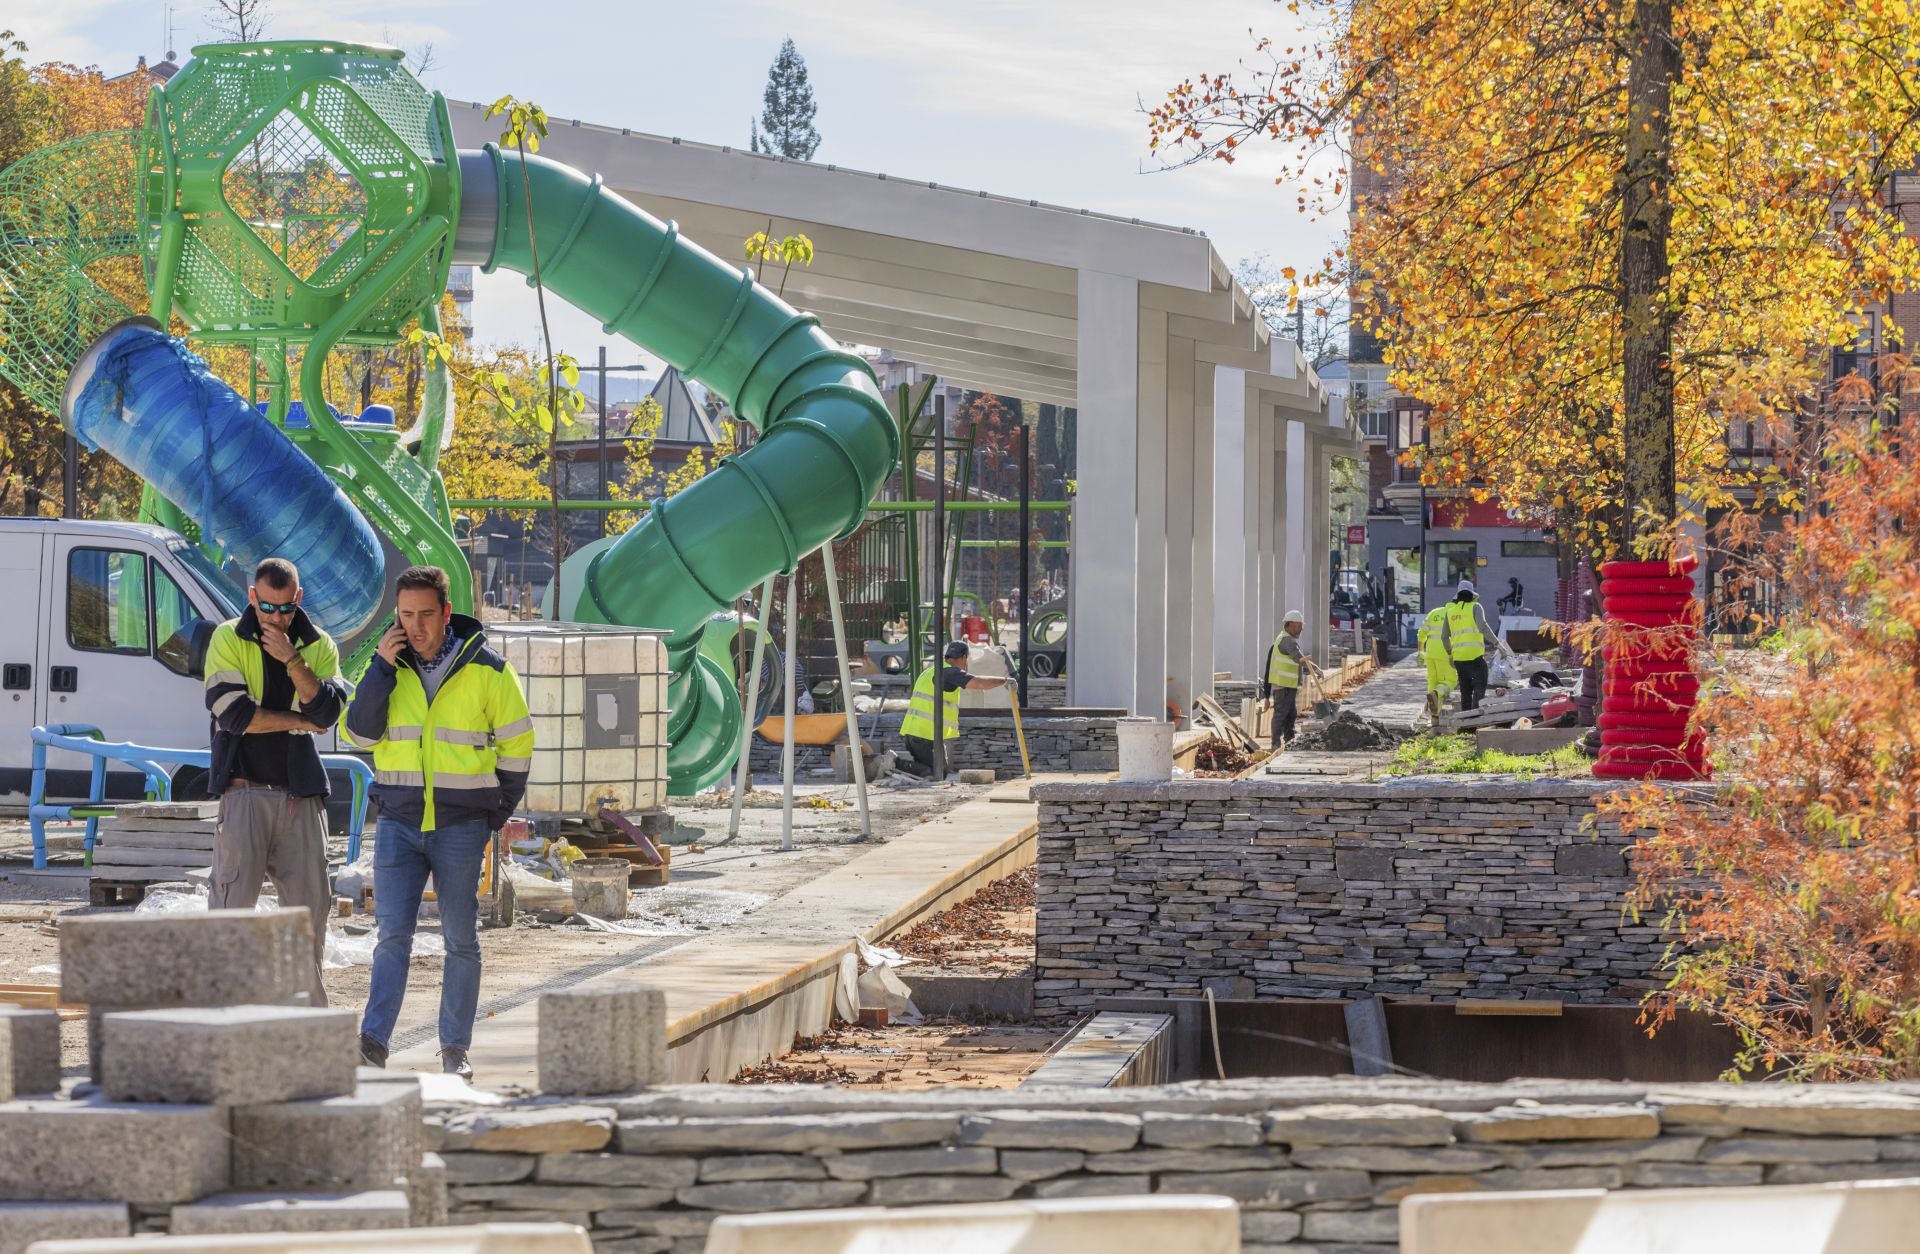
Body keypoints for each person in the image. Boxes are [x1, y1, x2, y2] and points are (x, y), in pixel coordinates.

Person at [346, 565, 533, 1082]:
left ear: (446, 613)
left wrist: (495, 811)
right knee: (391, 938)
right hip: (399, 825)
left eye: (426, 614)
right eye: (407, 615)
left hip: (460, 826)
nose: (417, 625)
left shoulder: (490, 671)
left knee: (461, 939)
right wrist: (380, 670)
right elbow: (358, 735)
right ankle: (373, 1043)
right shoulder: (388, 667)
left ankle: (454, 1049)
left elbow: (518, 746)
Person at [203, 558, 353, 1005]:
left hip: (299, 795)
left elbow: (328, 713)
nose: (276, 617)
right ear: (252, 597)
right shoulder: (227, 638)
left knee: (309, 914)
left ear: (297, 600)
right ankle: (223, 1020)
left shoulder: (318, 645)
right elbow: (234, 715)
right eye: (267, 606)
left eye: (285, 608)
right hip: (242, 789)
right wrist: (297, 720)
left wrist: (292, 659)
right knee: (231, 913)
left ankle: (307, 1022)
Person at [897, 641, 1011, 778]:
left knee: (939, 771)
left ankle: (903, 767)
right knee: (935, 773)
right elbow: (979, 683)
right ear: (964, 658)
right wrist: (1005, 680)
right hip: (923, 734)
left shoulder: (931, 670)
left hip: (918, 732)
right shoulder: (950, 672)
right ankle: (894, 763)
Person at [1440, 578, 1510, 712]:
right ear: (1472, 595)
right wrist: (1498, 644)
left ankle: (1466, 721)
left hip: (1459, 660)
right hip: (1475, 658)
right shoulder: (1475, 607)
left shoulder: (1450, 612)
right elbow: (1483, 627)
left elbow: (1444, 637)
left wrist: (1450, 654)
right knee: (1480, 685)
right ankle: (1476, 718)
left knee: (1465, 692)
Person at [1261, 610, 1319, 748]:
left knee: (1290, 714)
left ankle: (1289, 740)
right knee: (1281, 715)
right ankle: (1276, 744)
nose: (1301, 629)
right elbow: (1300, 659)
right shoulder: (1287, 641)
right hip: (1283, 686)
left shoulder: (1281, 638)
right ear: (1290, 624)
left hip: (1287, 685)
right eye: (1299, 626)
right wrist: (1316, 669)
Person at [1418, 603, 1456, 724]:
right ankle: (1436, 693)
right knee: (1449, 681)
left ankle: (1434, 717)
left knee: (1432, 682)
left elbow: (1421, 633)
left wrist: (1420, 652)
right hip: (1445, 653)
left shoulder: (1434, 612)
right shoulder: (1455, 614)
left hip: (1430, 653)